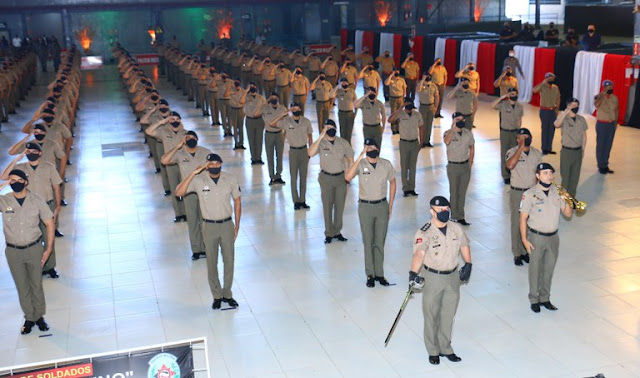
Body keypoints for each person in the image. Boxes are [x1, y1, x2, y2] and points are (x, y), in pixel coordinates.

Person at [409, 195, 472, 365]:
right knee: (431, 314)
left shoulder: (455, 228)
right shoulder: (425, 231)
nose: (444, 212)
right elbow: (419, 253)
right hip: (433, 278)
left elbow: (464, 244)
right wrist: (413, 273)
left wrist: (468, 263)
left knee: (448, 314)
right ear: (432, 211)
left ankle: (445, 347)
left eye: (446, 209)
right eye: (440, 210)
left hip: (452, 277)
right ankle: (433, 350)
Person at [175, 154, 242, 310]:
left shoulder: (230, 179)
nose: (214, 166)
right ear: (206, 165)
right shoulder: (199, 181)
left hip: (226, 225)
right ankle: (216, 296)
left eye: (217, 162)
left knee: (229, 261)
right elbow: (179, 192)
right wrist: (193, 173)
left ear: (221, 164)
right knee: (212, 262)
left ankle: (227, 293)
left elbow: (237, 202)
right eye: (211, 163)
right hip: (209, 226)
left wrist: (237, 225)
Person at [1, 169, 55, 334]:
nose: (14, 183)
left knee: (36, 285)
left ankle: (39, 316)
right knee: (22, 287)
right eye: (11, 180)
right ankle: (29, 318)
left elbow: (50, 224)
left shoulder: (37, 201)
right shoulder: (4, 201)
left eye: (18, 179)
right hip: (13, 252)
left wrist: (48, 250)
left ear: (25, 181)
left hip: (34, 249)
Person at [2, 143, 61, 278]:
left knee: (48, 237)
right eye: (28, 151)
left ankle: (50, 267)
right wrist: (17, 158)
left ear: (40, 153)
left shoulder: (48, 166)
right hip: (29, 208)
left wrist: (57, 207)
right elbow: (4, 177)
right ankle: (37, 267)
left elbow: (56, 187)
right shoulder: (21, 169)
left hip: (47, 205)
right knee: (34, 239)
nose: (30, 153)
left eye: (34, 151)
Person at [520, 163, 573, 313]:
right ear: (538, 176)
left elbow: (568, 214)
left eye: (551, 173)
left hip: (553, 237)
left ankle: (545, 297)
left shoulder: (558, 192)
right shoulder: (530, 194)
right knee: (535, 269)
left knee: (549, 269)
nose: (549, 175)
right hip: (536, 237)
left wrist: (568, 200)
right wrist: (524, 239)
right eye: (545, 173)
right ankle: (533, 299)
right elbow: (523, 218)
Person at [345, 138, 396, 287]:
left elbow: (393, 182)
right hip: (365, 207)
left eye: (373, 147)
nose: (371, 149)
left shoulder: (385, 164)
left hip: (381, 206)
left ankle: (380, 273)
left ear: (378, 149)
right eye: (368, 147)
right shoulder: (360, 165)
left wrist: (391, 204)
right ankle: (370, 275)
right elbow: (347, 177)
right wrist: (360, 156)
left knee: (380, 241)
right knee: (368, 241)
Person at [161, 131, 211, 260]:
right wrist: (177, 146)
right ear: (184, 140)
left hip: (204, 191)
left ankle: (206, 248)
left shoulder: (206, 152)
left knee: (205, 221)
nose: (191, 139)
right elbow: (164, 160)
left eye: (193, 137)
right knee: (193, 221)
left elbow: (215, 168)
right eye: (188, 138)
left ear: (198, 139)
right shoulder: (180, 154)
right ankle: (196, 249)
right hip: (188, 191)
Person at [308, 120, 354, 244]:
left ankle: (337, 231)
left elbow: (350, 160)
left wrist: (348, 179)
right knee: (327, 205)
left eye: (333, 127)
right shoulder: (321, 143)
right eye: (328, 128)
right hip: (326, 178)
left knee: (339, 206)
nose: (331, 129)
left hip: (340, 178)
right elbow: (310, 153)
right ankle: (328, 233)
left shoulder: (343, 142)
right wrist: (321, 134)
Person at [505, 128, 542, 266]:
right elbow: (509, 165)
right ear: (518, 139)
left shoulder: (536, 153)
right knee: (517, 222)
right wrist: (520, 148)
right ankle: (517, 253)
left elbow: (539, 174)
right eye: (522, 136)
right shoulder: (511, 152)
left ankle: (526, 250)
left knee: (529, 223)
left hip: (531, 192)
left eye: (528, 136)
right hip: (517, 193)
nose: (526, 138)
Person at [270, 103, 313, 210]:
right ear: (291, 110)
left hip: (303, 150)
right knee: (293, 177)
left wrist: (310, 149)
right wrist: (283, 114)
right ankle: (296, 201)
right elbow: (272, 123)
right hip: (293, 151)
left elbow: (310, 135)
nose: (296, 110)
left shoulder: (306, 121)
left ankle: (302, 200)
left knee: (303, 177)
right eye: (294, 109)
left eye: (298, 108)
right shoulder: (286, 122)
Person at [146, 111, 187, 222]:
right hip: (171, 164)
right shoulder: (164, 132)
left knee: (184, 189)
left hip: (183, 164)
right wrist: (162, 122)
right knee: (174, 188)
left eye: (177, 119)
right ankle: (179, 214)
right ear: (169, 121)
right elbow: (148, 131)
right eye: (172, 119)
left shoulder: (186, 134)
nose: (175, 121)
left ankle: (186, 213)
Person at [444, 113, 474, 226]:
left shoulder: (467, 133)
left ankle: (461, 216)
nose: (461, 121)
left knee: (462, 192)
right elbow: (447, 141)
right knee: (454, 192)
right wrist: (453, 128)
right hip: (453, 166)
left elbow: (472, 147)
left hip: (465, 166)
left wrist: (470, 162)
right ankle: (454, 216)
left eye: (462, 119)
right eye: (458, 120)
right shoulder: (448, 133)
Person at [389, 98, 422, 197]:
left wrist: (421, 142)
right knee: (404, 166)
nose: (409, 108)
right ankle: (405, 188)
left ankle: (412, 188)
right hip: (404, 143)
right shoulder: (400, 114)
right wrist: (400, 108)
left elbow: (421, 127)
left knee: (412, 166)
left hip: (414, 142)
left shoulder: (417, 114)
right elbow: (390, 120)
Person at [554, 98, 587, 196]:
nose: (575, 107)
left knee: (575, 178)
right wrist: (565, 112)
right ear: (568, 106)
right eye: (572, 105)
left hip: (578, 151)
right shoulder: (563, 118)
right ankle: (563, 200)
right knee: (565, 177)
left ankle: (571, 199)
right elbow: (556, 124)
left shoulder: (581, 119)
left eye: (576, 105)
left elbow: (584, 135)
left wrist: (583, 150)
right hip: (567, 151)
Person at [491, 88, 523, 184]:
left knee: (514, 153)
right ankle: (505, 175)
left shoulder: (520, 106)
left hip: (515, 132)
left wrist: (519, 131)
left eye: (515, 93)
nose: (514, 95)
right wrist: (502, 97)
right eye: (512, 94)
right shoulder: (503, 105)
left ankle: (513, 172)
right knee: (505, 153)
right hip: (505, 132)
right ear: (509, 95)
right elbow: (492, 105)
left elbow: (519, 119)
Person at [261, 93, 286, 186]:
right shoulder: (265, 108)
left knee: (279, 156)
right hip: (269, 134)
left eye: (275, 97)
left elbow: (286, 122)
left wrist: (285, 134)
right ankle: (272, 177)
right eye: (271, 98)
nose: (273, 99)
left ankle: (278, 175)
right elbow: (269, 121)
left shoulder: (282, 108)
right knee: (270, 156)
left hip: (279, 134)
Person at [532, 73, 560, 155]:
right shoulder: (542, 87)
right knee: (545, 129)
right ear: (546, 79)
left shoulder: (555, 88)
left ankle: (549, 148)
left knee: (552, 130)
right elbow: (534, 90)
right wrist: (542, 83)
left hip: (553, 111)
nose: (552, 80)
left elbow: (558, 98)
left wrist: (557, 110)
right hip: (544, 110)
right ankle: (544, 148)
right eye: (550, 79)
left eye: (553, 79)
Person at [594, 80, 618, 174]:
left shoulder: (615, 98)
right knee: (601, 145)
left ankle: (605, 164)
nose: (609, 88)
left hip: (611, 124)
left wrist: (615, 123)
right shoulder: (599, 97)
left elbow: (616, 110)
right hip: (602, 124)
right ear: (603, 87)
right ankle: (601, 165)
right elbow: (596, 104)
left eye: (611, 87)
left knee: (608, 145)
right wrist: (603, 93)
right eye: (607, 87)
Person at [244, 82, 267, 165]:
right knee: (251, 139)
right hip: (249, 120)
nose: (253, 88)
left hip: (259, 120)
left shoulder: (261, 97)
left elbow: (265, 108)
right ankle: (253, 158)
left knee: (259, 139)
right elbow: (241, 101)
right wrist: (246, 91)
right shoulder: (246, 97)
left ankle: (258, 158)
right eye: (251, 87)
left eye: (254, 86)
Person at [330, 78, 357, 144]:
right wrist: (337, 86)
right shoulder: (338, 91)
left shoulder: (352, 91)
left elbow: (356, 103)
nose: (344, 84)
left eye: (345, 82)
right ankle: (342, 147)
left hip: (350, 113)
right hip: (342, 113)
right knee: (342, 131)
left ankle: (348, 146)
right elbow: (330, 95)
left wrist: (355, 113)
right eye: (343, 83)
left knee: (349, 131)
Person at [417, 72, 439, 147]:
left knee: (429, 125)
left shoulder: (433, 86)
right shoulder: (421, 85)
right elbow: (418, 90)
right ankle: (422, 141)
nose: (427, 78)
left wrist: (436, 107)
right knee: (423, 125)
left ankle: (427, 141)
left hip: (431, 106)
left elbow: (436, 96)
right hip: (423, 106)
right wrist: (422, 80)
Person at [384, 68, 407, 134]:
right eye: (395, 71)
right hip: (393, 98)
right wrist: (391, 75)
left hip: (400, 98)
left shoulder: (402, 80)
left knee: (400, 113)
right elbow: (386, 83)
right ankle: (394, 129)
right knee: (393, 113)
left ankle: (399, 128)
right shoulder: (390, 79)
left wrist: (404, 97)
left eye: (397, 71)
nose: (396, 72)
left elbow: (404, 88)